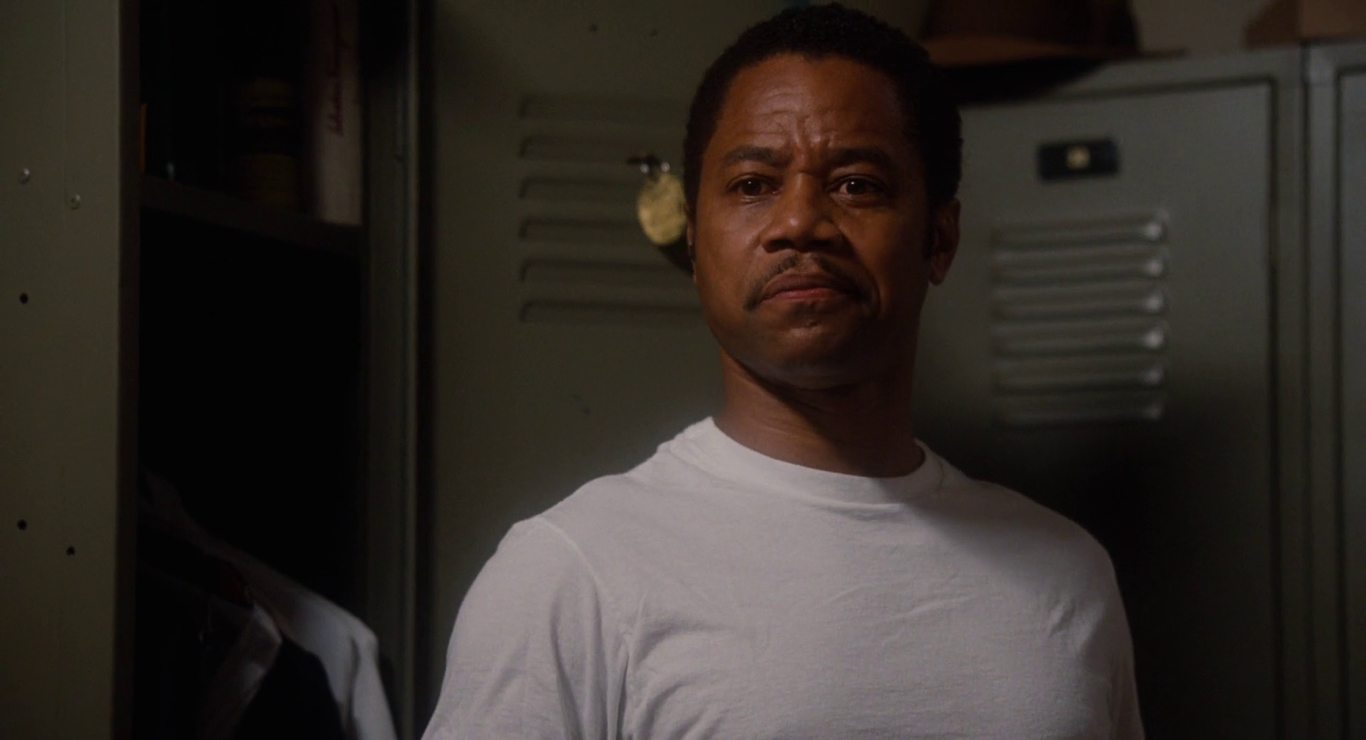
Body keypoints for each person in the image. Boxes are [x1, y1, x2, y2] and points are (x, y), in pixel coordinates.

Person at [422, 5, 1144, 738]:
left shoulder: (1068, 578)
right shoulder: (571, 576)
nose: (800, 222)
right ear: (695, 241)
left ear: (940, 237)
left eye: (857, 184)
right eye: (751, 185)